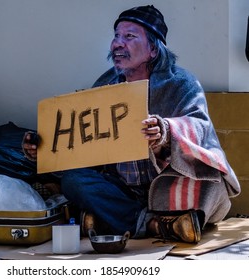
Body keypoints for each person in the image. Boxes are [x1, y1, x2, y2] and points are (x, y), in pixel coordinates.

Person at [23, 5, 240, 243]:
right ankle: (155, 224)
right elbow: (83, 145)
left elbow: (199, 126)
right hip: (123, 188)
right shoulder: (105, 85)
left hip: (169, 180)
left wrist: (166, 131)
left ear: (153, 50)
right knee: (74, 181)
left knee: (209, 185)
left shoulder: (180, 83)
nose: (117, 43)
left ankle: (109, 220)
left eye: (129, 36)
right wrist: (43, 151)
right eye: (116, 36)